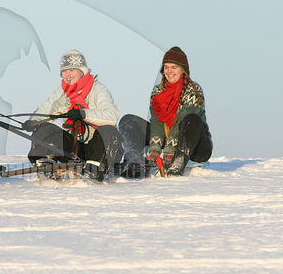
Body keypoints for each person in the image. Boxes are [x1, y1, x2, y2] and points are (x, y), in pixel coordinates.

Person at [21, 50, 123, 181]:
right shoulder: (61, 93)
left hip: (100, 148)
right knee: (44, 129)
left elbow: (111, 116)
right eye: (64, 71)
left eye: (71, 70)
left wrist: (83, 114)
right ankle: (45, 165)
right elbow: (46, 110)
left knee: (108, 131)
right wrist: (34, 121)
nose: (67, 74)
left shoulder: (98, 89)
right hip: (76, 149)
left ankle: (94, 171)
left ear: (82, 71)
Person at [119, 46, 212, 176]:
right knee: (128, 120)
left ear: (183, 70)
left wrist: (170, 149)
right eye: (166, 67)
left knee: (191, 119)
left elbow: (183, 119)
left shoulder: (193, 90)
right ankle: (134, 161)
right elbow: (157, 120)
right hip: (165, 140)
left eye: (174, 67)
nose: (169, 71)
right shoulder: (158, 91)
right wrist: (155, 148)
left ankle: (178, 163)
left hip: (193, 144)